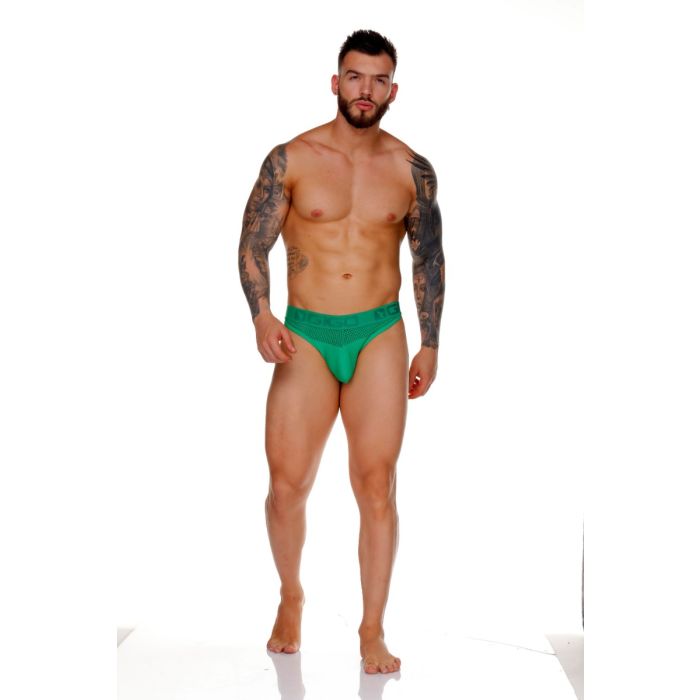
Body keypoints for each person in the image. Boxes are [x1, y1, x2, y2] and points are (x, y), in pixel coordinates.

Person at [238, 28, 445, 675]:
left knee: (377, 484)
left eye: (379, 80)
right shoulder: (292, 159)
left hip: (380, 332)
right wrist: (262, 314)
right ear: (336, 81)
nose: (365, 90)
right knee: (286, 487)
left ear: (393, 90)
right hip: (306, 333)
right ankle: (290, 595)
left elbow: (428, 258)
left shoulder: (412, 170)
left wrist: (431, 342)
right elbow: (252, 242)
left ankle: (371, 629)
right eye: (355, 76)